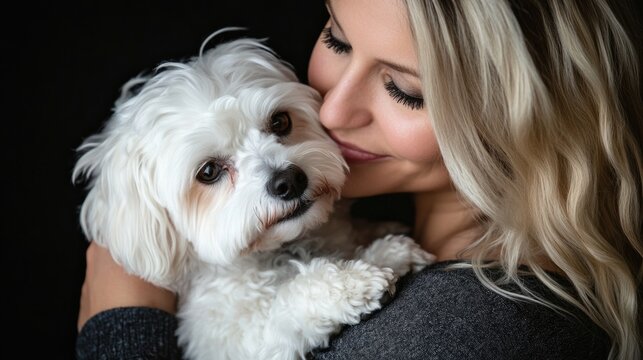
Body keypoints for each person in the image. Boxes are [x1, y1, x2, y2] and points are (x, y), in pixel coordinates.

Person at [75, 0, 642, 359]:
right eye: (338, 40)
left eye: (405, 91)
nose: (332, 110)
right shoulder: (399, 250)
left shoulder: (470, 333)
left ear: (522, 114)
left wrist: (120, 330)